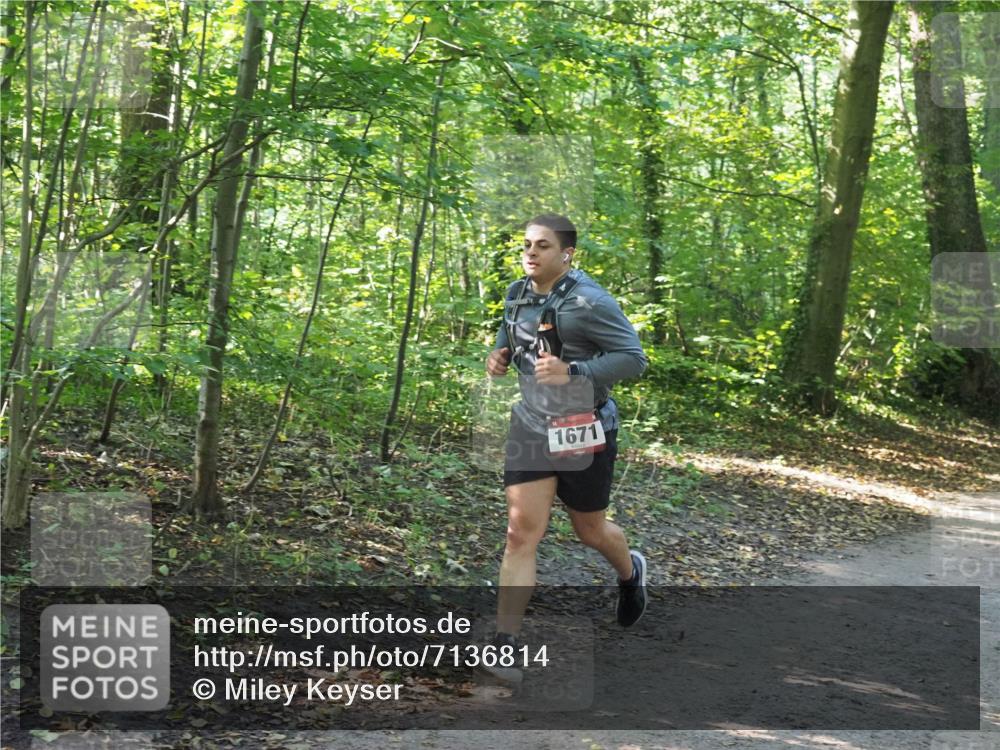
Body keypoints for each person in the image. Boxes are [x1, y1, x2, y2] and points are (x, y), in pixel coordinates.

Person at [483, 213, 648, 683]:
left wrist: (574, 373)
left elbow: (633, 360)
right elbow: (512, 336)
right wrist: (498, 355)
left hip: (584, 426)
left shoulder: (590, 301)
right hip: (532, 426)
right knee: (520, 535)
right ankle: (506, 646)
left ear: (567, 253)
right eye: (527, 245)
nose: (531, 253)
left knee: (590, 531)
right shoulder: (517, 292)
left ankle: (630, 572)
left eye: (543, 246)